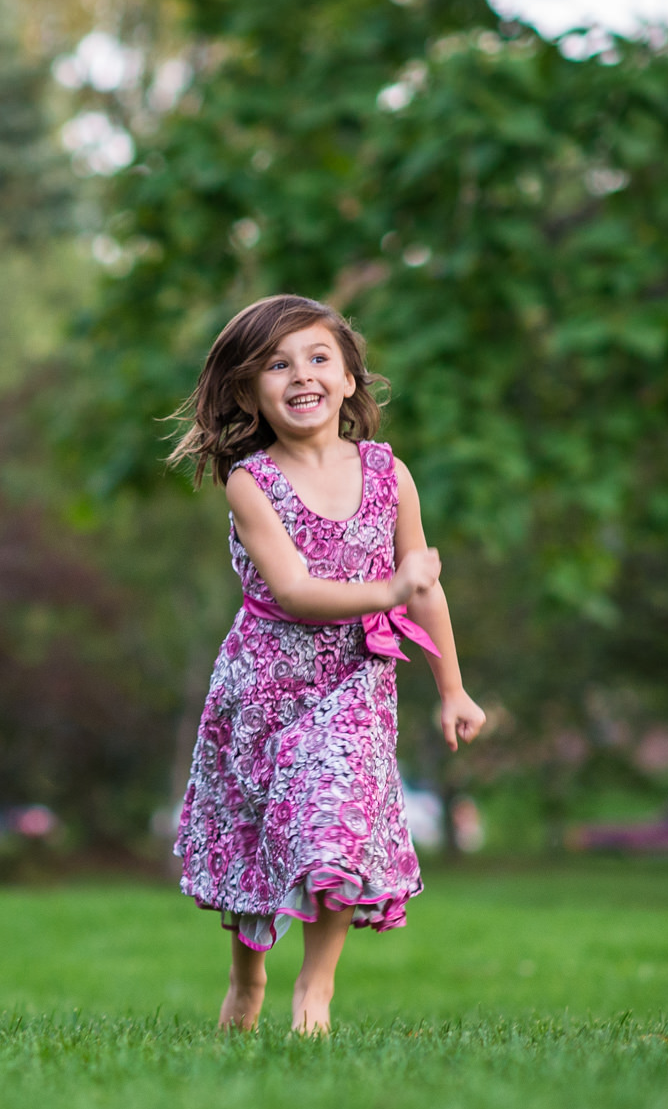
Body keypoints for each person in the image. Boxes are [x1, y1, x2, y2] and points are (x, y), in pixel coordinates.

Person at [170, 295, 485, 1036]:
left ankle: (315, 989)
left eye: (317, 358)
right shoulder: (251, 482)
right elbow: (295, 590)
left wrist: (452, 688)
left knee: (333, 828)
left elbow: (423, 583)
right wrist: (389, 589)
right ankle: (246, 975)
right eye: (276, 365)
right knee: (256, 839)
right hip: (265, 688)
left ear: (349, 378)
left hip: (353, 687)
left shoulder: (387, 472)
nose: (300, 375)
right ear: (248, 392)